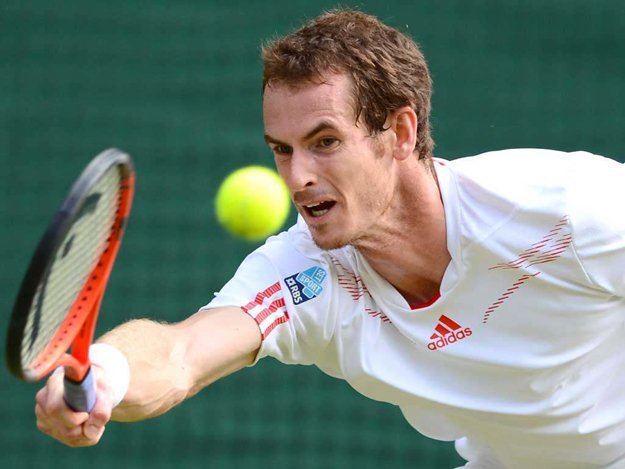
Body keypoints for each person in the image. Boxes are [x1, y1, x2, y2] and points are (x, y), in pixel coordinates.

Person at [35, 8, 625, 468]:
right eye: (282, 150)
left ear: (398, 131)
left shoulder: (564, 209)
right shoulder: (307, 276)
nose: (298, 177)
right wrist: (105, 373)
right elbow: (182, 353)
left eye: (324, 142)